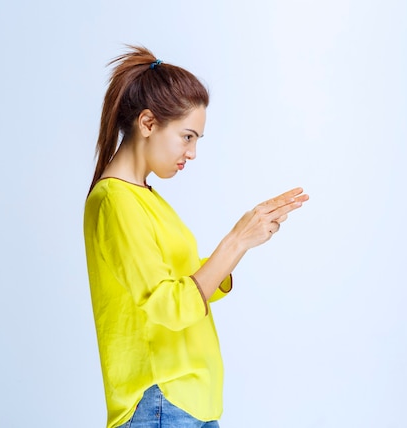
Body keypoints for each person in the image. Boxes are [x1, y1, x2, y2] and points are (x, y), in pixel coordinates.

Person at [83, 45, 309, 428]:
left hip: (187, 404)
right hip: (160, 403)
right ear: (148, 123)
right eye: (187, 136)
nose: (193, 152)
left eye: (197, 139)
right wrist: (235, 240)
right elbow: (171, 305)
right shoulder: (115, 201)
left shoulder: (145, 197)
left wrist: (248, 239)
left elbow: (187, 283)